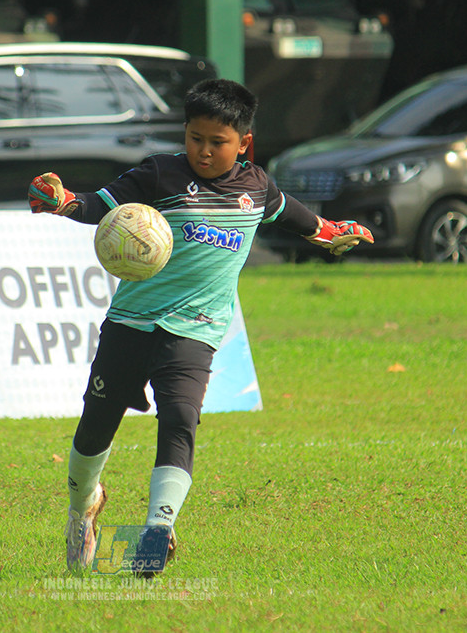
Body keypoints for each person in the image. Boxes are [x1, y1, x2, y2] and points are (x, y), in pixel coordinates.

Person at [28, 78, 373, 576]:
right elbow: (102, 204)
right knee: (93, 431)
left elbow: (296, 216)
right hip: (130, 322)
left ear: (244, 143)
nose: (204, 152)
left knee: (180, 419)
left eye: (218, 142)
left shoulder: (256, 188)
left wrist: (330, 232)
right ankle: (83, 507)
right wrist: (64, 201)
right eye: (195, 139)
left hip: (196, 329)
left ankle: (156, 531)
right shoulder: (160, 175)